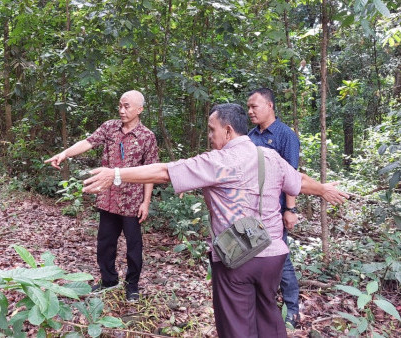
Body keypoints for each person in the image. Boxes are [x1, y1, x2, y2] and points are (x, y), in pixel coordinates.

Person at [82, 103, 348, 337]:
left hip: (237, 257)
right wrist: (323, 189)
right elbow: (297, 181)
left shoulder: (219, 161)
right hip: (273, 255)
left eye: (212, 130)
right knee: (268, 316)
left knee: (236, 326)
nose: (210, 136)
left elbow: (164, 172)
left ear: (228, 130)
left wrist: (116, 174)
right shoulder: (268, 156)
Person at [44, 90, 159, 302]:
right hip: (108, 198)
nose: (122, 110)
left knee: (134, 246)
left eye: (127, 106)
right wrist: (64, 154)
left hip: (132, 201)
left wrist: (146, 201)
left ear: (140, 109)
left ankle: (132, 285)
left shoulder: (147, 137)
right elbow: (87, 143)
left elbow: (150, 171)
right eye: (120, 106)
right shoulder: (109, 127)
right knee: (105, 243)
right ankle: (109, 280)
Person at [247, 88, 301, 326]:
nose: (250, 111)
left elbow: (292, 176)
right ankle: (261, 304)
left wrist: (290, 210)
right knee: (253, 257)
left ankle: (292, 309)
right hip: (250, 211)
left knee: (282, 258)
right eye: (248, 107)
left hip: (275, 211)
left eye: (254, 107)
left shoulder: (285, 135)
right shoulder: (250, 136)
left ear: (269, 106)